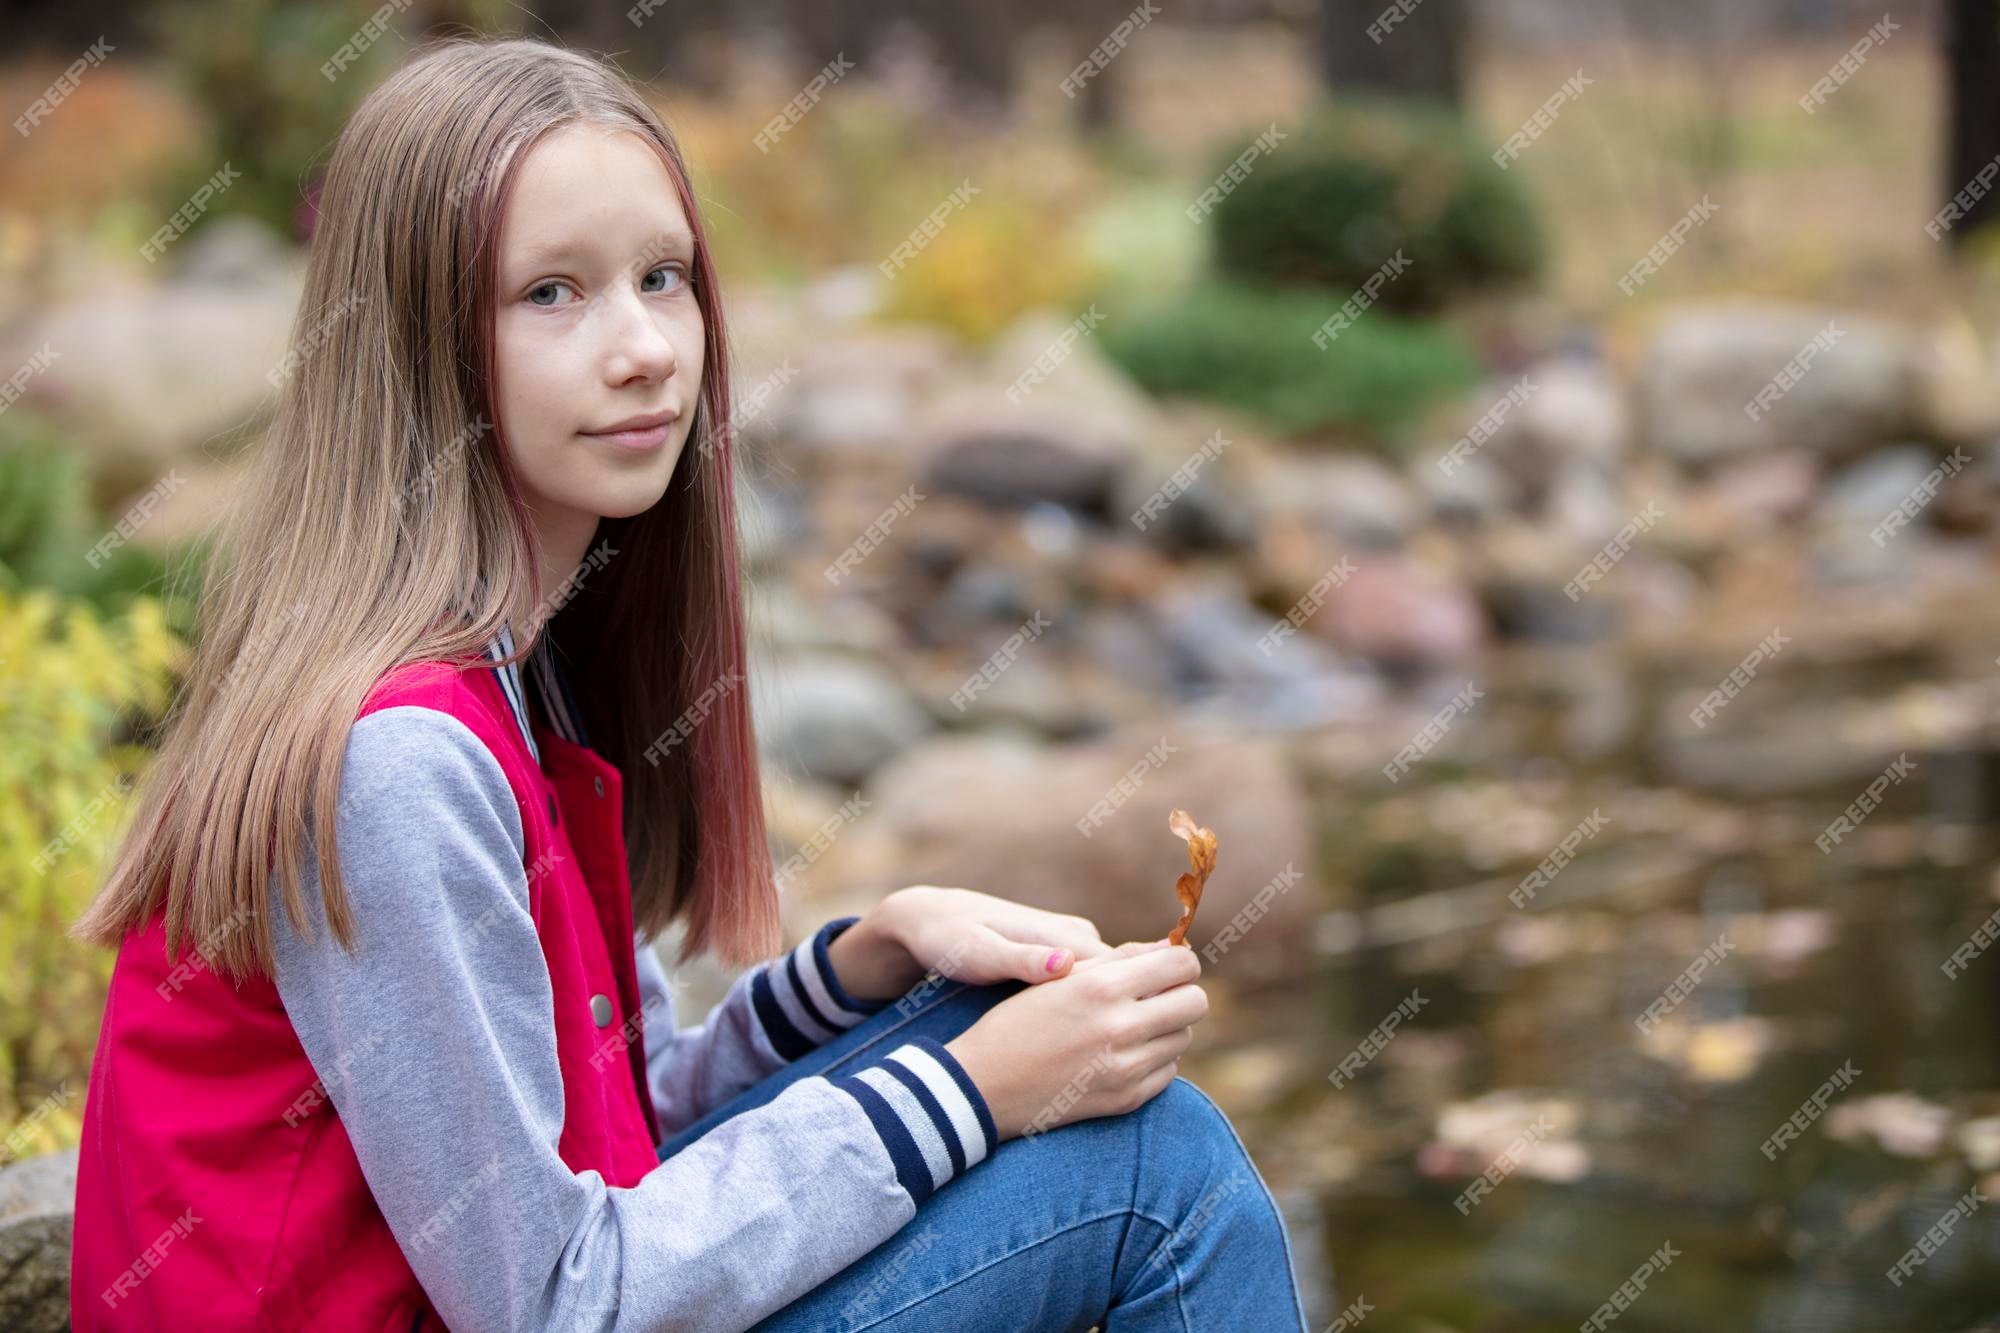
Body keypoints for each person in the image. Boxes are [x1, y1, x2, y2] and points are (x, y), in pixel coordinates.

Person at [66, 34, 1307, 1332]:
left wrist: (859, 967)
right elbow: (553, 1295)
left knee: (989, 1028)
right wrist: (980, 1093)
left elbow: (626, 1128)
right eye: (552, 292)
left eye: (663, 278)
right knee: (1151, 1175)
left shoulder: (522, 679)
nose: (647, 347)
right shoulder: (398, 759)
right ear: (415, 347)